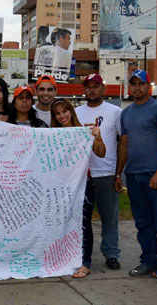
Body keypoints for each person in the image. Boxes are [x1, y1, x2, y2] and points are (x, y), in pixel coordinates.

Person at [114, 70, 157, 289]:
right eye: (133, 84)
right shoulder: (126, 113)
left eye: (140, 83)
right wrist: (118, 173)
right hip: (133, 176)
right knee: (143, 223)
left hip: (155, 176)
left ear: (148, 86)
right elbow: (124, 145)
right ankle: (149, 262)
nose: (136, 88)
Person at [50, 98, 105, 278]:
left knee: (83, 223)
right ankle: (65, 258)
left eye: (64, 111)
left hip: (83, 184)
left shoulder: (85, 131)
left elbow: (101, 152)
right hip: (61, 186)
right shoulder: (52, 134)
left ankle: (85, 262)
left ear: (71, 111)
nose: (62, 116)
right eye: (57, 113)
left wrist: (97, 135)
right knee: (61, 222)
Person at [75, 74, 123, 271]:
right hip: (81, 174)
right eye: (88, 86)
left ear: (103, 89)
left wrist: (118, 173)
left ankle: (111, 253)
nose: (92, 90)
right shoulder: (76, 112)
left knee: (109, 217)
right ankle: (79, 252)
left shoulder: (115, 112)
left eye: (96, 86)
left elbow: (123, 142)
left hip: (106, 172)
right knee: (80, 219)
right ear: (84, 90)